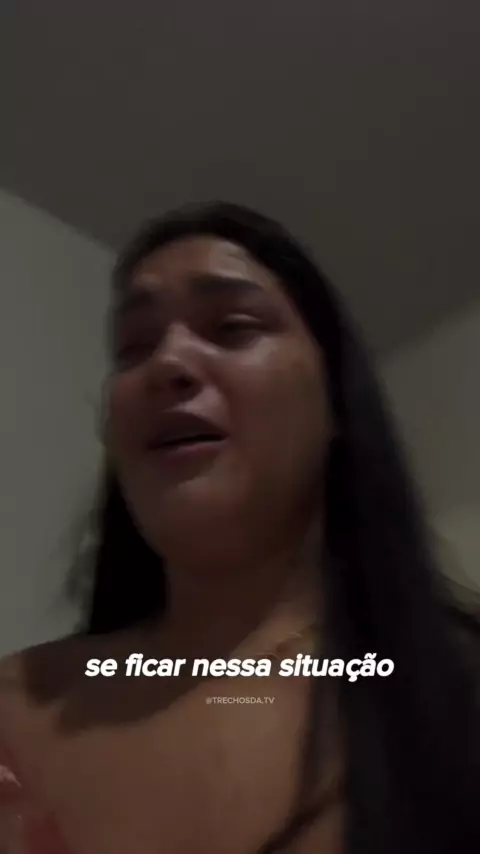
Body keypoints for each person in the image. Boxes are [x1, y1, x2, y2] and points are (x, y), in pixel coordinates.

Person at [0, 202, 478, 854]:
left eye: (233, 327)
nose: (167, 361)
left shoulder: (460, 695)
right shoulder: (13, 709)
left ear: (336, 401)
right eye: (134, 346)